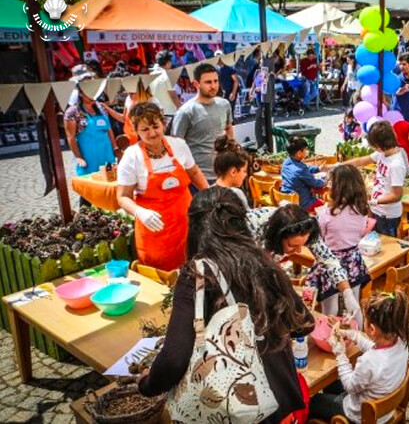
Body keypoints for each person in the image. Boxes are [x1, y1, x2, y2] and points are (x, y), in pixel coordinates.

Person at [137, 187, 315, 424]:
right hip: (280, 398)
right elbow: (304, 323)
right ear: (241, 222)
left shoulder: (197, 275)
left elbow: (174, 359)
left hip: (237, 408)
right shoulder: (263, 262)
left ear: (195, 227)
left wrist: (147, 384)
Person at [117, 102, 209, 272]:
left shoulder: (179, 145)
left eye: (155, 126)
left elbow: (194, 173)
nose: (152, 133)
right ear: (136, 131)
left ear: (163, 124)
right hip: (154, 230)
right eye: (145, 129)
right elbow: (122, 196)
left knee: (192, 267)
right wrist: (140, 212)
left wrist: (211, 195)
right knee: (161, 278)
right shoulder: (132, 156)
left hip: (185, 223)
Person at [247, 204, 363, 324]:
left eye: (303, 245)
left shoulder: (304, 226)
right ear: (277, 237)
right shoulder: (251, 225)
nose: (298, 251)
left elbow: (328, 259)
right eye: (292, 245)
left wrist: (347, 292)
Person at [309, 291, 409, 423]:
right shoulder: (400, 342)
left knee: (312, 401)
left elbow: (350, 386)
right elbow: (374, 348)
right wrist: (351, 334)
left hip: (360, 415)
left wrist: (340, 353)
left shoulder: (369, 361)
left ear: (372, 329)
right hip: (385, 410)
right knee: (332, 383)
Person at [316, 165, 375, 317]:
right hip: (353, 259)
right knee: (354, 303)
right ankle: (358, 337)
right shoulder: (361, 211)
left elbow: (319, 239)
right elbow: (361, 233)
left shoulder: (327, 214)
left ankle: (329, 337)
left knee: (330, 307)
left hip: (330, 261)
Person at [172, 63, 234, 186]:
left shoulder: (224, 104)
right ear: (196, 84)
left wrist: (231, 154)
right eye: (208, 82)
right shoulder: (185, 112)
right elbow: (175, 146)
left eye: (216, 81)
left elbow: (228, 128)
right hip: (197, 177)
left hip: (222, 173)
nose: (213, 86)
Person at [343, 121, 407, 236]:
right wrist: (340, 166)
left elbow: (396, 195)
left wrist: (374, 201)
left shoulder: (396, 164)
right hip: (376, 209)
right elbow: (362, 160)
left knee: (384, 248)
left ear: (380, 145)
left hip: (387, 216)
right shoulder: (383, 154)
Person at [63, 72, 117, 179]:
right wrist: (79, 157)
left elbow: (109, 130)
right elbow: (71, 137)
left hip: (106, 154)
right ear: (81, 93)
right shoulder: (72, 112)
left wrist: (115, 148)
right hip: (88, 157)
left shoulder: (102, 108)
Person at [281, 137, 327, 213]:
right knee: (326, 207)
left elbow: (306, 169)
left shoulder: (286, 163)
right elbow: (317, 184)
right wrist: (326, 179)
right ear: (299, 153)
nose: (307, 151)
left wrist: (318, 168)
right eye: (305, 149)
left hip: (287, 201)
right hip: (302, 205)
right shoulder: (301, 170)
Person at [212, 135, 251, 206]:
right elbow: (246, 216)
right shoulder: (237, 195)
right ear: (233, 172)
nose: (246, 175)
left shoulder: (206, 194)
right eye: (244, 171)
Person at [148, 50, 182, 120]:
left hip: (156, 113)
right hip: (169, 113)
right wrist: (181, 110)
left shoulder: (150, 75)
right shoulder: (167, 75)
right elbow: (173, 96)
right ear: (168, 63)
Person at [392, 53, 409, 127]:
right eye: (400, 64)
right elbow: (397, 92)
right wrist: (403, 89)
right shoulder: (397, 79)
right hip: (398, 115)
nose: (401, 66)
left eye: (404, 64)